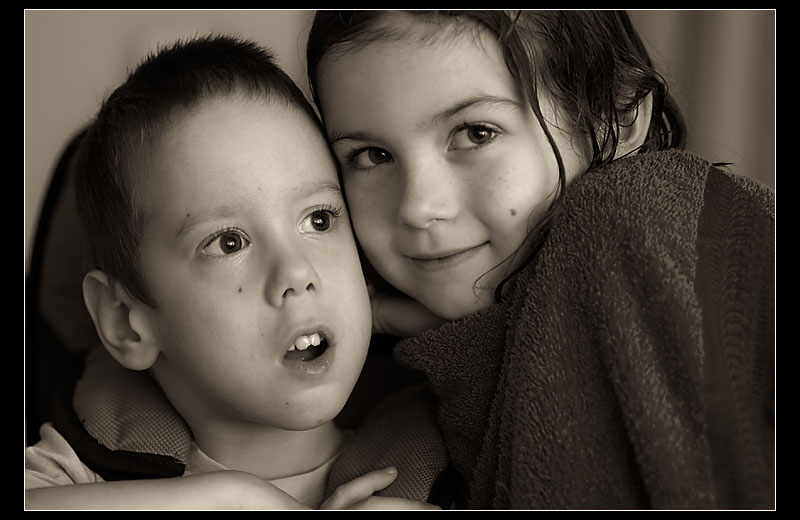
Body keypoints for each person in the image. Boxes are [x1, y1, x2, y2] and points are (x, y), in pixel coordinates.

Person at [306, 10, 775, 509]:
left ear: (617, 118)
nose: (417, 207)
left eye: (476, 133)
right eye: (372, 156)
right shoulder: (388, 416)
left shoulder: (637, 214)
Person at [25, 34, 441, 510]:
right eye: (229, 242)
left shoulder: (447, 453)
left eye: (319, 220)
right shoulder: (75, 477)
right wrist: (233, 497)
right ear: (124, 320)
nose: (296, 272)